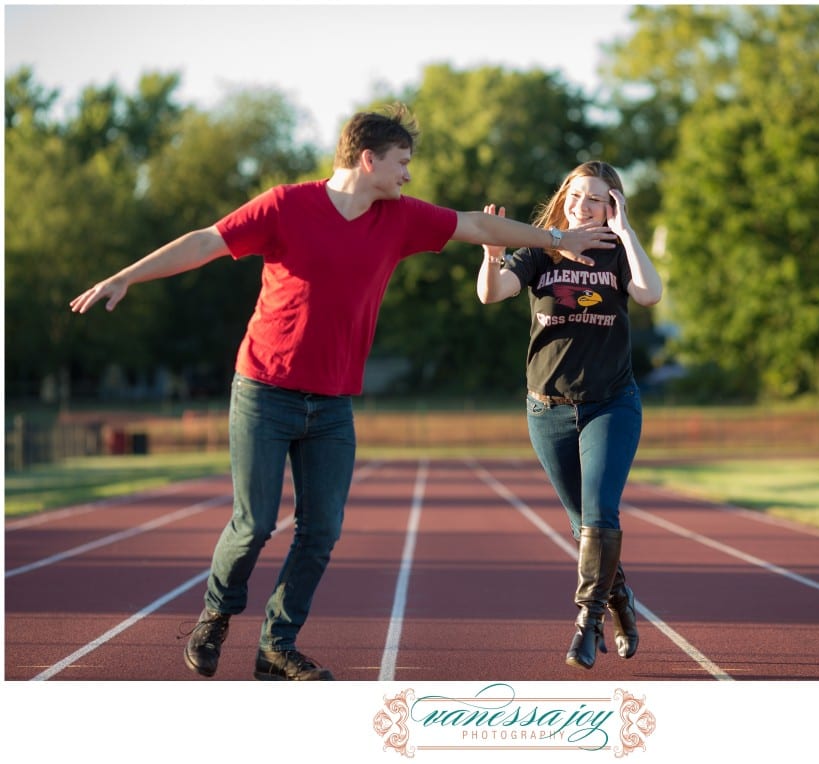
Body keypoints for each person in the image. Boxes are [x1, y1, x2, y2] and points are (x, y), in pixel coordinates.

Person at [70, 104, 615, 681]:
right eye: (402, 163)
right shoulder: (286, 205)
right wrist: (126, 274)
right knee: (253, 524)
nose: (408, 175)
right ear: (368, 158)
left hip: (331, 404)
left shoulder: (400, 218)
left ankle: (276, 645)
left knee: (322, 529)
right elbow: (207, 241)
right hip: (264, 389)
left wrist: (556, 238)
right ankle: (216, 613)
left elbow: (478, 226)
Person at [477, 161, 662, 670]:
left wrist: (625, 234)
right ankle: (621, 599)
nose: (584, 205)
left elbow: (649, 293)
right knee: (585, 526)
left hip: (611, 404)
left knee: (601, 514)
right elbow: (492, 293)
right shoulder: (539, 250)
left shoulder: (618, 255)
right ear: (564, 197)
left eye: (597, 198)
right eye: (577, 195)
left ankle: (588, 621)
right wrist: (493, 258)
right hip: (548, 411)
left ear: (613, 205)